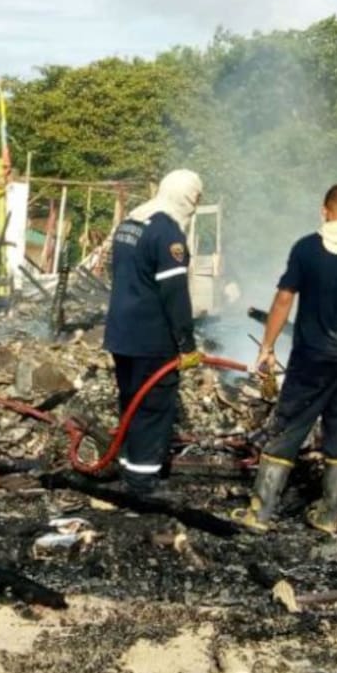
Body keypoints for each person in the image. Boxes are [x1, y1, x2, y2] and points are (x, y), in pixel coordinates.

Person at [235, 184, 337, 534]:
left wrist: (266, 346)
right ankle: (327, 516)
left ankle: (260, 515)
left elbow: (282, 300)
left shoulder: (306, 249)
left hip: (310, 358)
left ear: (323, 210)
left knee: (288, 428)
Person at [103, 169, 204, 498]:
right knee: (153, 406)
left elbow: (115, 270)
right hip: (151, 337)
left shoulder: (131, 222)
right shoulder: (167, 233)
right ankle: (142, 482)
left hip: (121, 332)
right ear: (187, 196)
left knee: (130, 400)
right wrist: (186, 343)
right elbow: (175, 294)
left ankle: (126, 464)